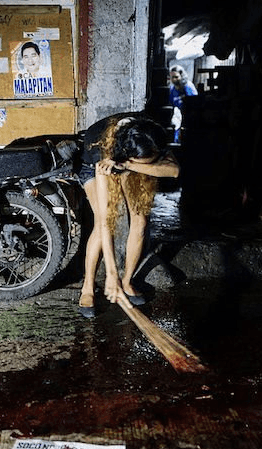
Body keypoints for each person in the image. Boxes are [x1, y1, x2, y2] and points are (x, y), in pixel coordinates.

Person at [77, 113, 180, 318]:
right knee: (99, 223)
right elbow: (107, 222)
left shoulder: (149, 137)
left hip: (128, 163)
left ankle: (127, 281)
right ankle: (88, 287)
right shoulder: (106, 152)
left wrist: (133, 166)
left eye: (152, 161)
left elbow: (174, 170)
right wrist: (110, 274)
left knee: (140, 220)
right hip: (94, 164)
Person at [168, 65, 197, 142]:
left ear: (181, 76)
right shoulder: (172, 89)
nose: (174, 79)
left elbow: (195, 103)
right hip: (179, 117)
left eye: (176, 77)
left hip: (190, 116)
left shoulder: (189, 87)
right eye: (172, 77)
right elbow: (171, 105)